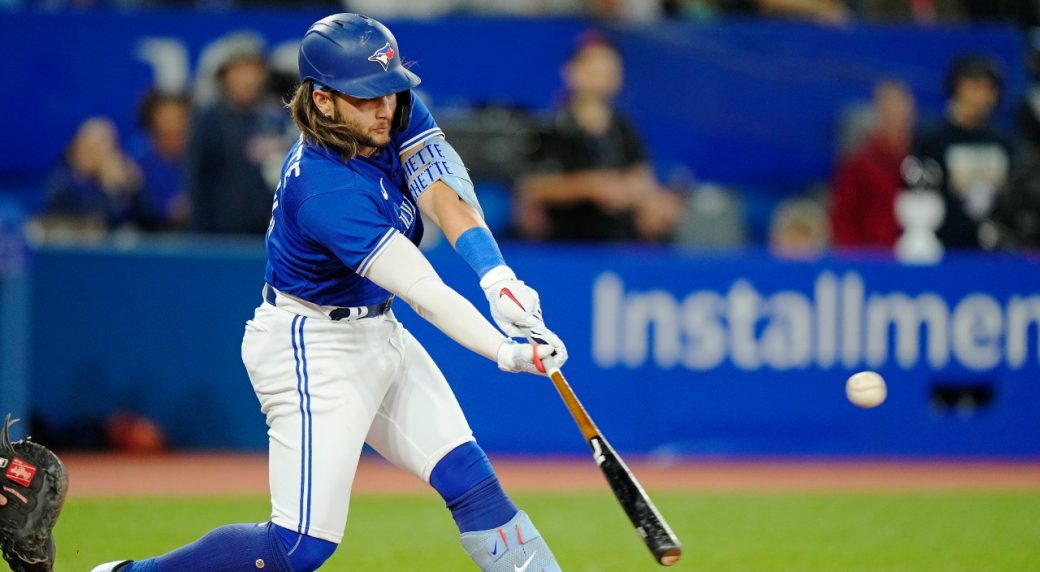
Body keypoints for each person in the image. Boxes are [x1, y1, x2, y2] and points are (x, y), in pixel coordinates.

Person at [92, 13, 566, 572]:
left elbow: (442, 190)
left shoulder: (394, 111)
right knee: (297, 547)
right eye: (365, 98)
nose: (384, 106)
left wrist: (497, 276)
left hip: (376, 328)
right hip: (311, 347)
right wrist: (504, 351)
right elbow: (422, 288)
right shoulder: (324, 189)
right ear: (321, 101)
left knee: (472, 483)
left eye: (388, 91)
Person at [516, 31, 682, 243]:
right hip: (565, 240)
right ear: (572, 71)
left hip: (619, 240)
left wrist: (643, 197)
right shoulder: (549, 127)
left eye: (610, 70)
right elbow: (532, 187)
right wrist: (591, 186)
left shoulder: (623, 127)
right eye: (595, 68)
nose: (603, 76)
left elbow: (641, 177)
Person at [185, 31, 290, 235]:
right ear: (224, 76)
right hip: (220, 238)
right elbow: (196, 179)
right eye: (239, 71)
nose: (248, 79)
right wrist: (199, 236)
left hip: (270, 236)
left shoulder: (277, 117)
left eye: (254, 70)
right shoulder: (209, 119)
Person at [913, 54, 1014, 250]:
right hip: (945, 248)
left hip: (995, 251)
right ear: (956, 89)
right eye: (975, 88)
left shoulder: (1003, 142)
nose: (982, 97)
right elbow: (919, 197)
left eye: (989, 89)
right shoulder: (933, 140)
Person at [830, 80, 916, 249]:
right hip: (870, 258)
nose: (895, 116)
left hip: (915, 258)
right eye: (888, 110)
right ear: (877, 113)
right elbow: (843, 218)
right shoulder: (859, 165)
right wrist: (857, 260)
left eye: (900, 109)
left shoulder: (922, 162)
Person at [38, 117, 157, 235]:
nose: (104, 155)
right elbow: (94, 225)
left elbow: (149, 224)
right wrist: (109, 190)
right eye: (96, 147)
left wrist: (137, 188)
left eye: (109, 147)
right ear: (78, 148)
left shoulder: (121, 178)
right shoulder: (62, 183)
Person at [129, 90, 191, 231]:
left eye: (178, 116)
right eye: (165, 115)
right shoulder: (136, 158)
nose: (172, 122)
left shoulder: (201, 159)